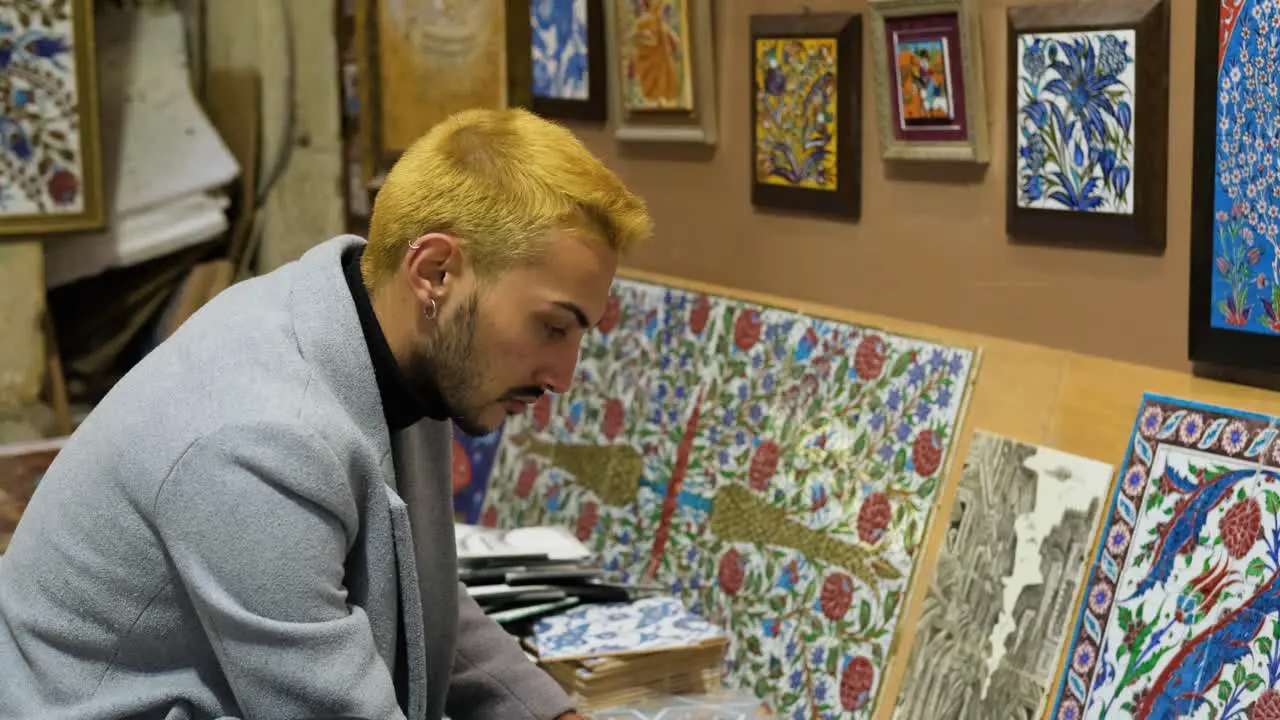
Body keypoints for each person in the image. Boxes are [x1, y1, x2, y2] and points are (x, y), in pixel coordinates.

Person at [0, 107, 653, 720]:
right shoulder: (262, 436)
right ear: (435, 271)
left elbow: (417, 589)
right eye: (552, 326)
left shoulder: (400, 335)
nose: (562, 377)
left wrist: (549, 713)